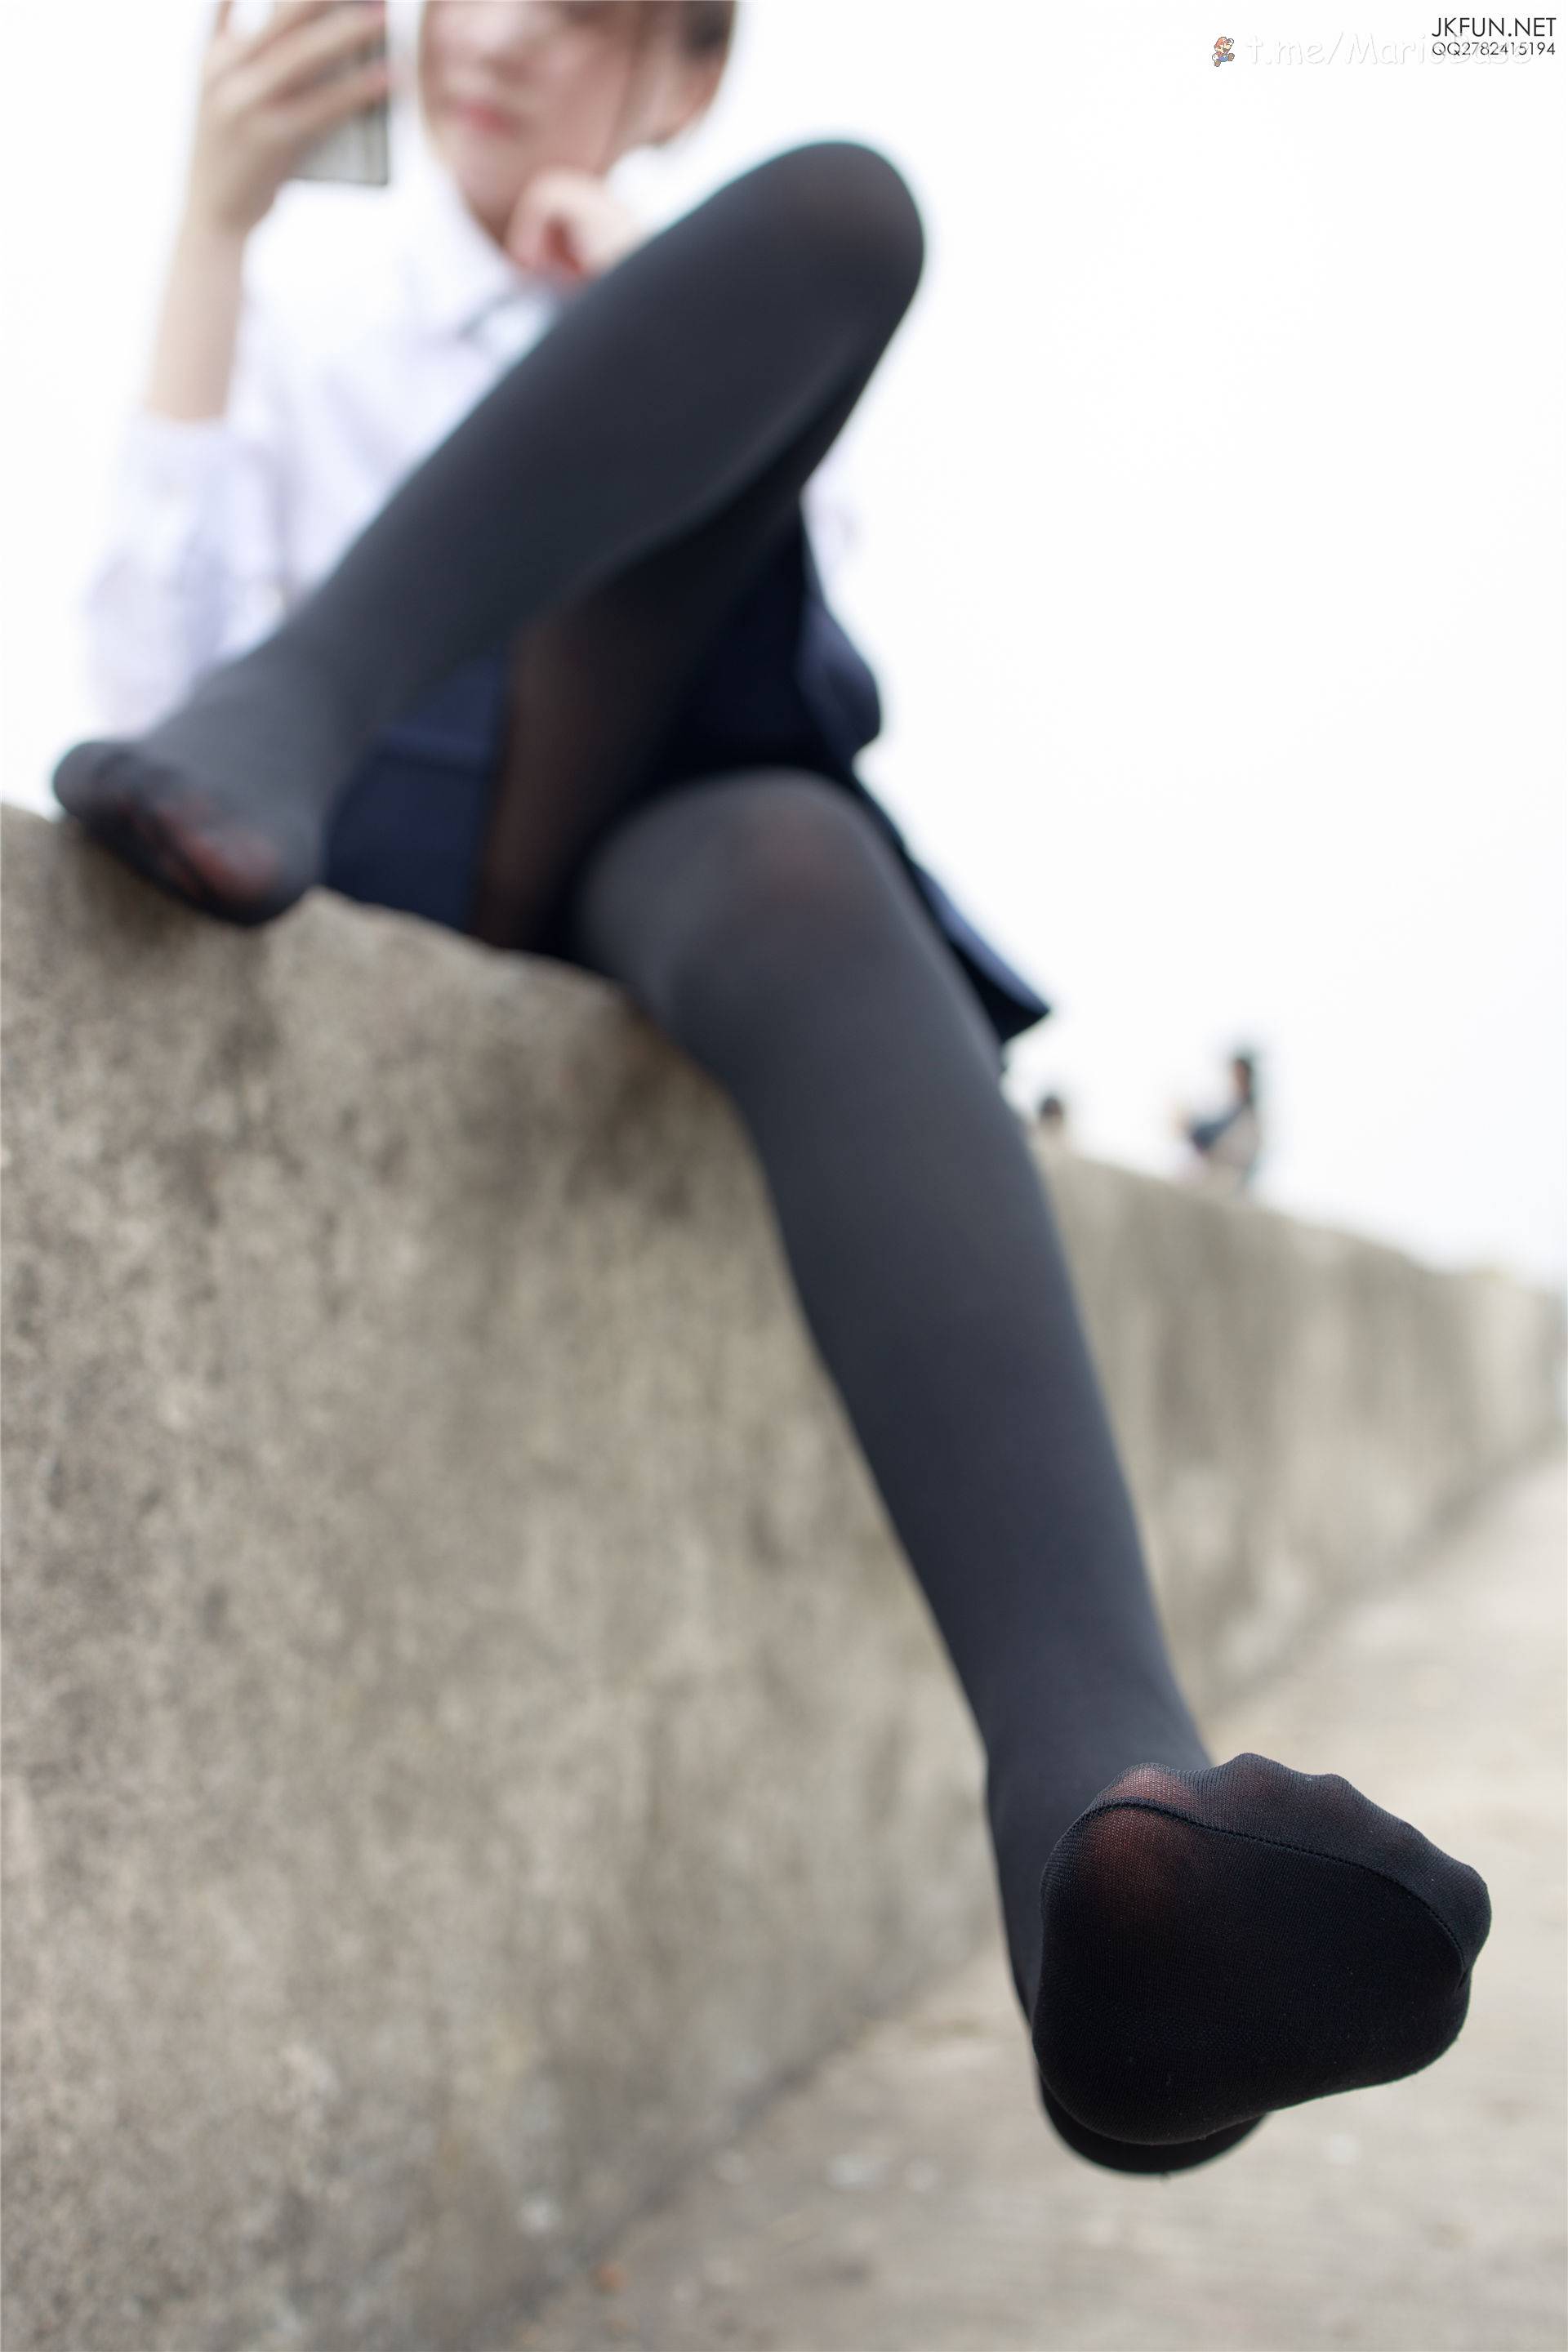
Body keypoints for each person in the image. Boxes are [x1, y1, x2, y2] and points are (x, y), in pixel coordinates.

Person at [54, 0, 1490, 2180]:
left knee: (811, 779)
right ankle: (318, 688)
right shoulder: (314, 297)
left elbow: (819, 686)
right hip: (343, 809)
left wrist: (645, 333)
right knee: (836, 227)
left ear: (675, 77)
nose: (497, 35)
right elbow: (133, 703)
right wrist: (209, 230)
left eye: (582, 8)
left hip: (644, 840)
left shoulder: (690, 264)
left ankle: (1110, 1844)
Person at [1182, 1048, 1263, 1196]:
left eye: (1237, 1074)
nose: (1233, 1079)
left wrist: (1193, 1128)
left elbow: (1209, 1135)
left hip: (1225, 1181)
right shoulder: (1235, 1110)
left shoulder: (1246, 1117)